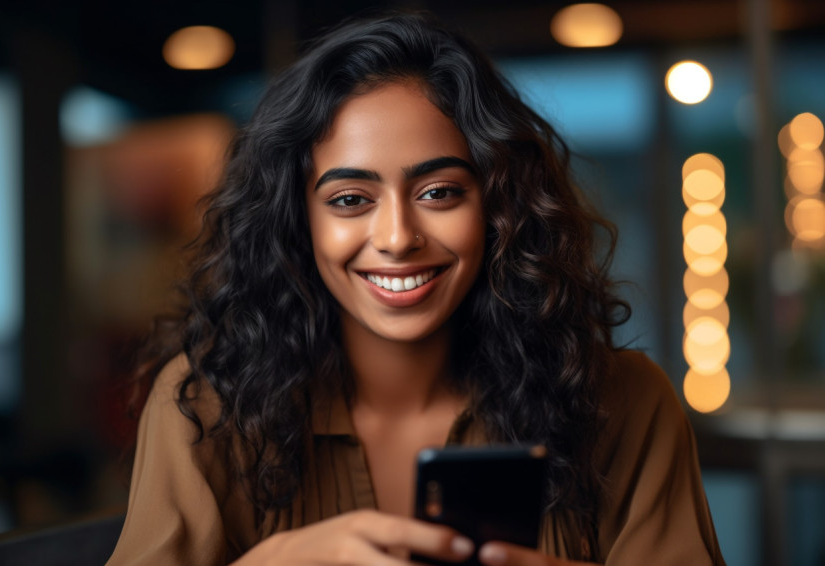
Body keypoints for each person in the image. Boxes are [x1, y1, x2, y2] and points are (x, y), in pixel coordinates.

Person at [106, 11, 725, 566]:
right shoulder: (206, 408)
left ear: (499, 208)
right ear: (298, 223)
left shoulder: (623, 403)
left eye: (439, 192)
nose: (398, 237)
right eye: (350, 200)